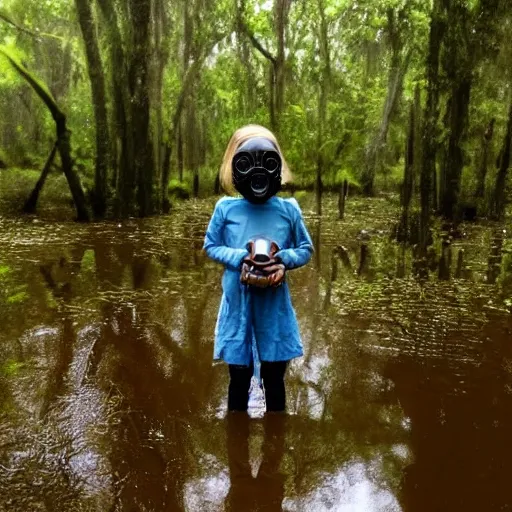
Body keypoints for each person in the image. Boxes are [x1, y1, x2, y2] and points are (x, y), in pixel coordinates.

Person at [203, 124, 313, 413]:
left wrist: (282, 260)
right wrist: (241, 257)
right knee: (238, 377)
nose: (257, 174)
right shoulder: (225, 209)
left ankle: (274, 446)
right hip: (237, 306)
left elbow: (305, 249)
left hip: (274, 308)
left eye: (266, 162)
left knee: (274, 376)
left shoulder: (289, 209)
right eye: (246, 164)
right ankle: (236, 448)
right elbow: (210, 246)